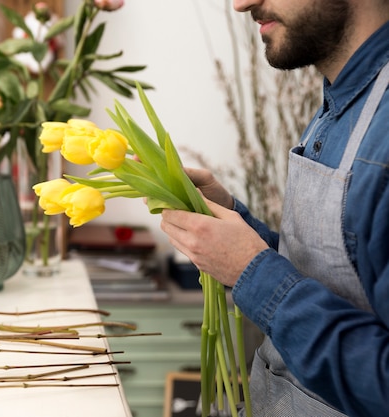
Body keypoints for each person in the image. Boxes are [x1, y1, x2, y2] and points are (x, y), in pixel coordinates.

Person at [159, 0, 389, 416]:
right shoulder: (342, 104)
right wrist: (235, 225)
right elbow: (341, 280)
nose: (241, 3)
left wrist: (253, 271)